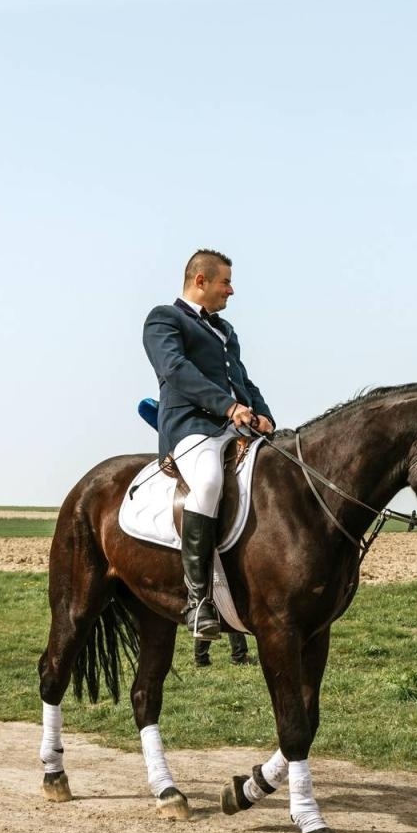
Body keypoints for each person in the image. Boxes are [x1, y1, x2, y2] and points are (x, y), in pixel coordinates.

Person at [142, 249, 274, 640]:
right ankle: (198, 601)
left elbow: (244, 381)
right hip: (190, 428)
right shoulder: (164, 319)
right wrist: (228, 406)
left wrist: (264, 415)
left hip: (236, 425)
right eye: (225, 282)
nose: (231, 291)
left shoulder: (226, 330)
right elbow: (176, 370)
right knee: (210, 480)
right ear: (201, 281)